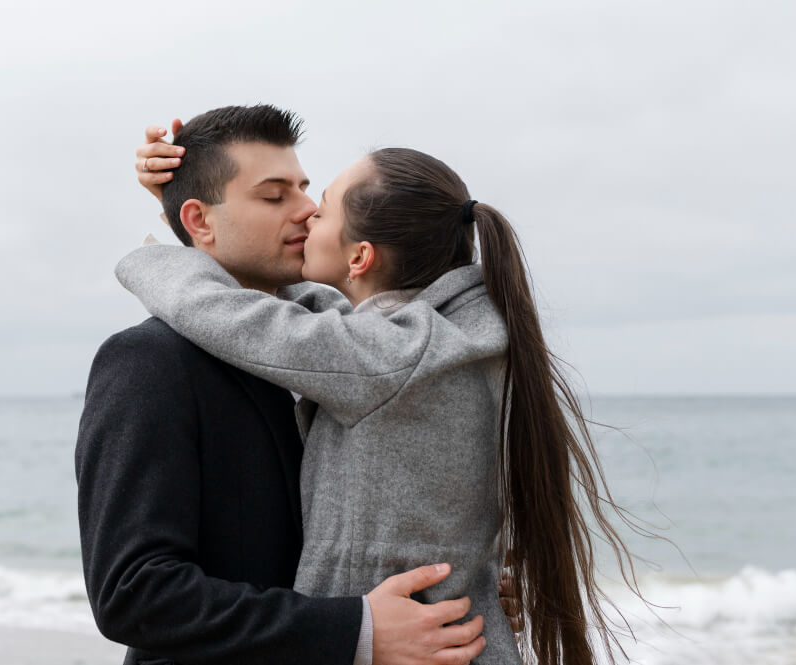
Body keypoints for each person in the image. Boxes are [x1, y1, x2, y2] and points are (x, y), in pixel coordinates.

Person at [122, 124, 642, 664]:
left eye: (320, 206)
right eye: (276, 196)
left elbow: (234, 315)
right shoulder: (442, 340)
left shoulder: (386, 359)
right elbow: (306, 316)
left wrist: (166, 245)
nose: (305, 212)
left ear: (361, 258)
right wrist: (187, 202)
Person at [76, 105, 516, 665]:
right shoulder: (148, 362)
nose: (307, 209)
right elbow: (133, 593)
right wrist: (356, 630)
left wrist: (466, 582)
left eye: (306, 190)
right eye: (273, 196)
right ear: (199, 221)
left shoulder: (348, 348)